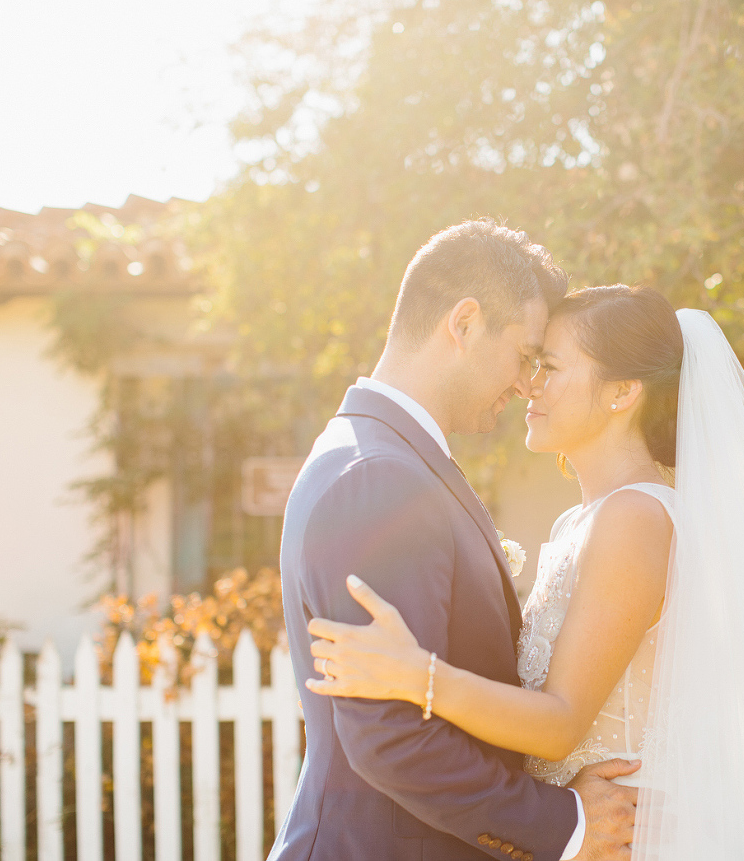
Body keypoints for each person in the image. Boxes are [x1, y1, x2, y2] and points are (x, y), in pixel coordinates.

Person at [305, 285, 744, 859]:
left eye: (550, 368)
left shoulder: (635, 519)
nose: (526, 384)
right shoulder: (583, 521)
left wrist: (416, 677)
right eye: (529, 365)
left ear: (622, 392)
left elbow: (562, 719)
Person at [269, 222, 640, 861]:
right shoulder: (377, 478)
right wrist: (564, 824)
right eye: (525, 355)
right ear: (463, 323)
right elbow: (391, 737)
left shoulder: (389, 459)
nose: (529, 383)